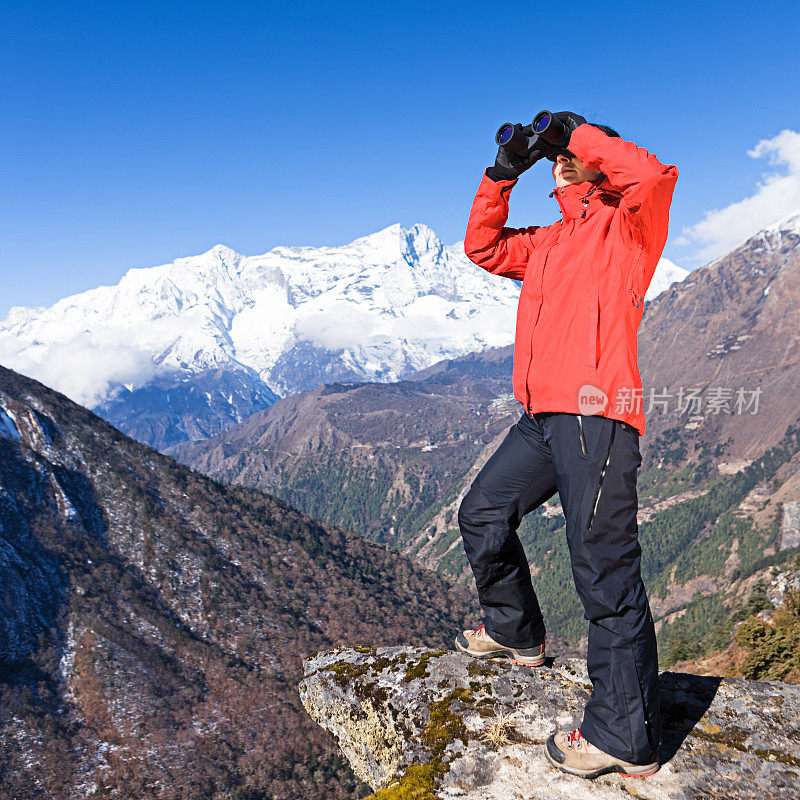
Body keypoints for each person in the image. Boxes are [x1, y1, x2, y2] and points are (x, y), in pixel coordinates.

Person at [454, 110, 678, 779]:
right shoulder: (550, 240)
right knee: (482, 514)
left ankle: (626, 734)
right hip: (542, 418)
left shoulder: (628, 227)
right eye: (554, 158)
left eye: (568, 156)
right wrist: (501, 175)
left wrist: (575, 133)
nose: (560, 163)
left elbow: (652, 175)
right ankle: (515, 631)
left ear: (596, 161)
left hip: (597, 418)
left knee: (604, 573)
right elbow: (484, 248)